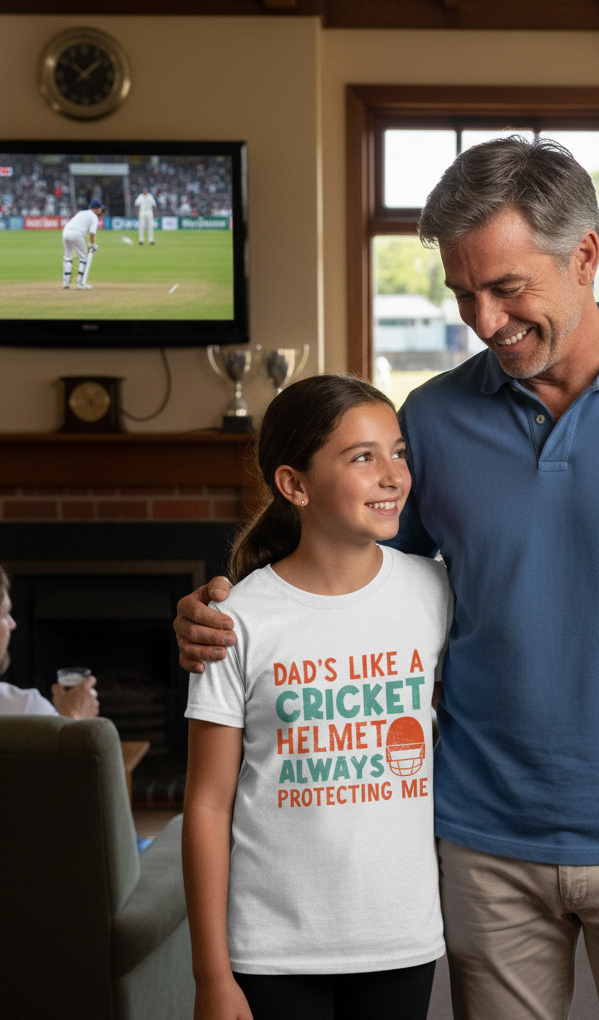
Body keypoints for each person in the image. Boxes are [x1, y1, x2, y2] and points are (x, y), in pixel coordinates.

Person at [176, 137, 599, 1020]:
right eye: (463, 293)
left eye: (507, 288)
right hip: (479, 843)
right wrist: (225, 604)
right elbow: (343, 564)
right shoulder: (430, 418)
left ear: (583, 256)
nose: (483, 318)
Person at [182, 375, 454, 1020]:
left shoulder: (434, 592)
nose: (393, 475)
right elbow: (208, 803)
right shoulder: (235, 620)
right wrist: (210, 976)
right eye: (363, 457)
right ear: (294, 485)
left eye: (399, 452)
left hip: (400, 936)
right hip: (271, 948)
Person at [0, 565, 99, 718]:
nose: (13, 624)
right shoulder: (26, 709)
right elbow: (63, 742)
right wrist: (74, 717)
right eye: (5, 614)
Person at [62, 199, 103, 291]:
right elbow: (92, 233)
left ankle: (66, 281)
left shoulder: (81, 212)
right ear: (96, 209)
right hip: (76, 233)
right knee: (84, 257)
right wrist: (92, 244)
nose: (101, 211)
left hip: (66, 231)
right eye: (100, 208)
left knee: (68, 256)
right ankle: (80, 283)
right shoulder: (94, 217)